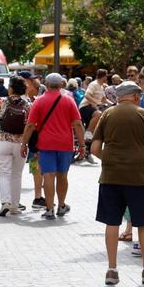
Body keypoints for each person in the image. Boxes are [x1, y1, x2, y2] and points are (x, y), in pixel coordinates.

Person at [91, 82, 144, 286]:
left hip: (110, 177)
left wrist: (110, 159)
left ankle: (112, 270)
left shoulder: (107, 115)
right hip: (138, 177)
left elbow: (95, 148)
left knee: (112, 222)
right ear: (136, 96)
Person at [20, 73, 86, 220]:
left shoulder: (39, 101)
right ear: (61, 85)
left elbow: (30, 125)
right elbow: (77, 124)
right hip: (65, 144)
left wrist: (24, 143)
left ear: (46, 84)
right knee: (63, 175)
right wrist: (82, 145)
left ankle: (50, 209)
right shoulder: (69, 101)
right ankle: (61, 205)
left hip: (46, 144)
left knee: (48, 175)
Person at [0, 76, 30, 216]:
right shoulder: (28, 103)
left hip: (2, 140)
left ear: (12, 88)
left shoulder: (0, 101)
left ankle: (5, 202)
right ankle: (15, 205)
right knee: (17, 175)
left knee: (4, 173)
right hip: (20, 142)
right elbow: (30, 124)